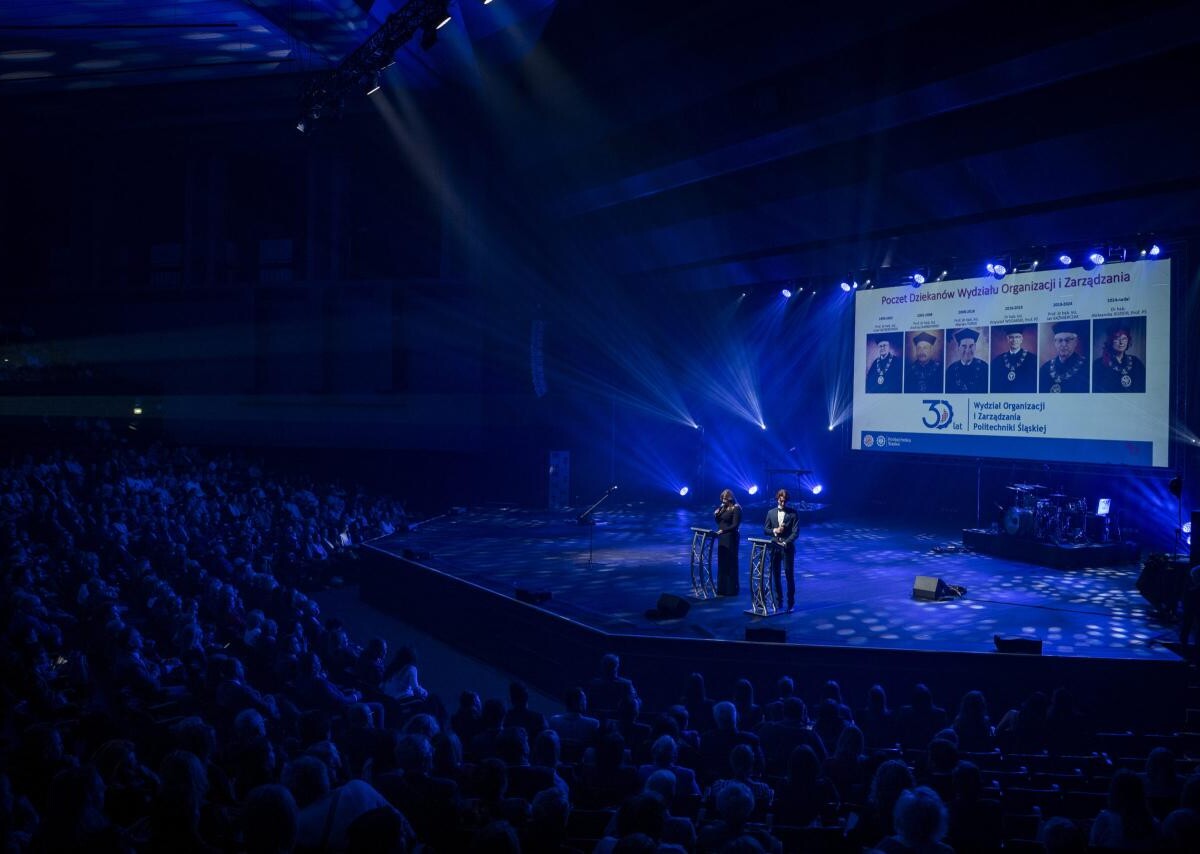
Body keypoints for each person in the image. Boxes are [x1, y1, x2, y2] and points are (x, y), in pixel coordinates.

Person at [764, 489, 799, 612]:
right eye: (781, 500)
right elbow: (765, 529)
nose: (783, 503)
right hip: (774, 548)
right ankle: (779, 602)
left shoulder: (793, 513)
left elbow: (796, 533)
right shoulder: (771, 513)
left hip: (787, 548)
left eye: (785, 501)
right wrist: (774, 530)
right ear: (777, 499)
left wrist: (785, 542)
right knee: (776, 575)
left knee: (789, 575)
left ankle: (790, 604)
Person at [1092, 321, 1146, 393]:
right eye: (1117, 338)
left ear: (1128, 341)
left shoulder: (1136, 362)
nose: (1121, 343)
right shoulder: (1098, 364)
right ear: (1110, 341)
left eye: (1124, 339)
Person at [1040, 320, 1089, 393]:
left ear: (1075, 342)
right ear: (1055, 343)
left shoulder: (1087, 367)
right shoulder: (1045, 369)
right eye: (1060, 340)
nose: (1063, 345)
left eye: (1067, 340)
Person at [990, 325, 1037, 392]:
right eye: (1011, 337)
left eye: (1017, 337)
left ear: (1021, 339)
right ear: (1007, 339)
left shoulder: (1032, 359)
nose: (1014, 340)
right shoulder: (998, 361)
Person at [713, 488, 742, 596]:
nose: (723, 501)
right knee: (722, 562)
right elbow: (719, 522)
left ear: (730, 498)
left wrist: (723, 530)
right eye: (722, 498)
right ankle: (722, 588)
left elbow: (735, 525)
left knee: (730, 562)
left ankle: (731, 589)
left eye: (725, 499)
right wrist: (716, 514)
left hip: (731, 537)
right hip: (722, 537)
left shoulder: (736, 508)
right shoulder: (723, 508)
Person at [945, 328, 988, 393]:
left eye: (971, 346)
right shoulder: (951, 370)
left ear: (975, 347)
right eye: (964, 346)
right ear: (958, 348)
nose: (967, 350)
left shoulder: (985, 368)